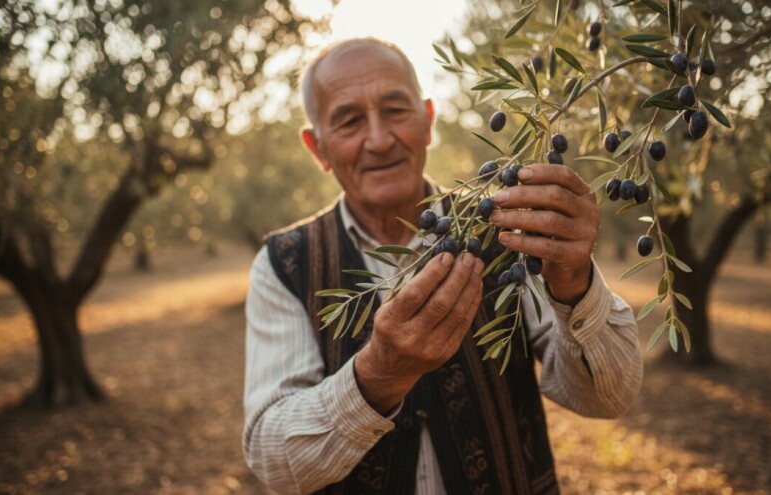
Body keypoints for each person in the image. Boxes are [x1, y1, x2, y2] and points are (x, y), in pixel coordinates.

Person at [243, 37, 643, 495]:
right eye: (349, 121)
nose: (379, 140)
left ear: (428, 121)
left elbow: (608, 398)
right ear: (318, 149)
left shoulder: (504, 228)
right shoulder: (285, 263)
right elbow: (274, 462)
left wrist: (572, 283)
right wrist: (379, 375)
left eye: (396, 110)